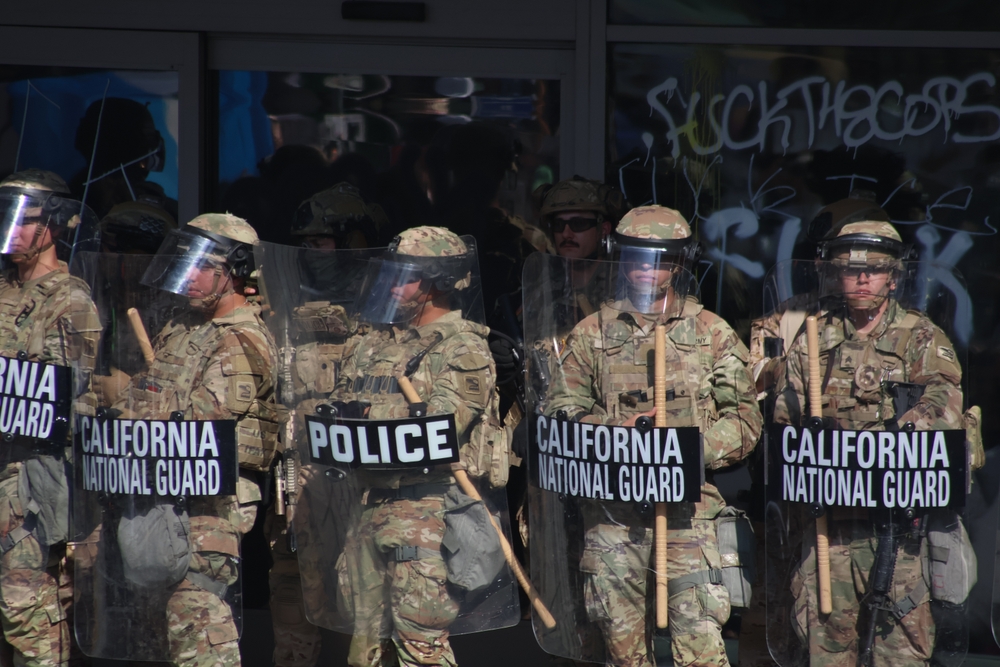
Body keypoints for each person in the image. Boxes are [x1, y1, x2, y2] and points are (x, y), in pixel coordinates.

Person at [546, 205, 762, 667]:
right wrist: (611, 433)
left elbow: (744, 421)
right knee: (621, 652)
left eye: (661, 258)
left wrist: (685, 447)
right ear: (618, 257)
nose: (647, 268)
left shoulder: (711, 333)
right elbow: (560, 411)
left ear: (680, 263)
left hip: (689, 513)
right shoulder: (592, 334)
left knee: (701, 647)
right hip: (612, 516)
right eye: (636, 256)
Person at [772, 220, 970, 667]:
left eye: (875, 270)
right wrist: (809, 439)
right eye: (851, 269)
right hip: (829, 529)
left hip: (896, 530)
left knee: (900, 651)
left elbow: (946, 401)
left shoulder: (920, 336)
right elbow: (785, 417)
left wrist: (903, 429)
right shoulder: (811, 337)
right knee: (825, 645)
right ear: (835, 276)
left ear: (894, 278)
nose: (863, 279)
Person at [326, 226, 507, 667]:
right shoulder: (374, 344)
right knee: (364, 650)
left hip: (428, 512)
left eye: (405, 277)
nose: (392, 285)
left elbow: (445, 424)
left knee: (420, 646)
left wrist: (364, 417)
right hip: (369, 506)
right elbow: (335, 409)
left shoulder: (463, 346)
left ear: (438, 281)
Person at [110, 213, 280, 667]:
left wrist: (127, 403)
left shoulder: (242, 337)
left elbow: (204, 420)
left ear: (236, 272)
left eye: (204, 265)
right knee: (160, 626)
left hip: (210, 501)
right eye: (186, 262)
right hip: (160, 487)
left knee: (198, 616)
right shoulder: (181, 326)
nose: (189, 275)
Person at [266, 183, 386, 667]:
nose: (312, 254)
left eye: (322, 242)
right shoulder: (280, 311)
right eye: (306, 245)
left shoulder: (384, 313)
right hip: (297, 488)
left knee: (367, 609)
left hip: (359, 490)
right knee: (292, 603)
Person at [0, 169, 102, 667]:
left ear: (55, 225)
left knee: (29, 614)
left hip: (30, 483)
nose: (11, 232)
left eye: (24, 222)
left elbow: (74, 400)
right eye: (6, 220)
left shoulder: (70, 299)